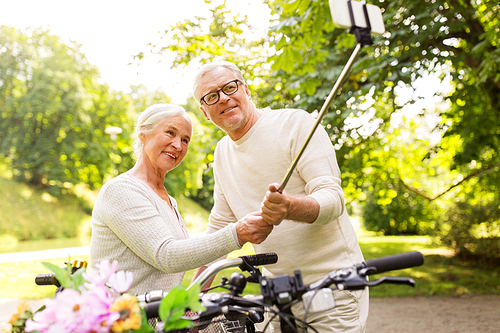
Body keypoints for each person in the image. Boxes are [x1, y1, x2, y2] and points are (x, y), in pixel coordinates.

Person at [192, 62, 368, 332]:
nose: (224, 98)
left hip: (334, 288)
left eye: (229, 87)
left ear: (246, 90)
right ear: (205, 112)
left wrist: (289, 207)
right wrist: (191, 299)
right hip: (277, 297)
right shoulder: (221, 153)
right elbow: (218, 230)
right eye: (212, 96)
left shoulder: (295, 123)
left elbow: (333, 200)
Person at [90, 104, 273, 295]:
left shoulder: (167, 200)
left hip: (157, 319)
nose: (178, 145)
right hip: (119, 319)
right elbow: (167, 255)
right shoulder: (120, 190)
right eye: (170, 133)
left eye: (185, 140)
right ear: (143, 134)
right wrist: (237, 234)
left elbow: (183, 254)